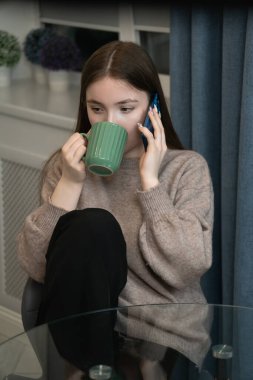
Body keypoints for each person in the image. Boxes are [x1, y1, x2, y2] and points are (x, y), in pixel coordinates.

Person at [16, 40, 214, 379]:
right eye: (97, 109)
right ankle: (89, 365)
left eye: (126, 108)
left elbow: (187, 268)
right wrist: (71, 183)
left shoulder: (186, 169)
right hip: (81, 325)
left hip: (157, 331)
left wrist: (151, 184)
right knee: (92, 225)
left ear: (152, 107)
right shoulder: (65, 166)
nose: (111, 122)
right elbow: (37, 267)